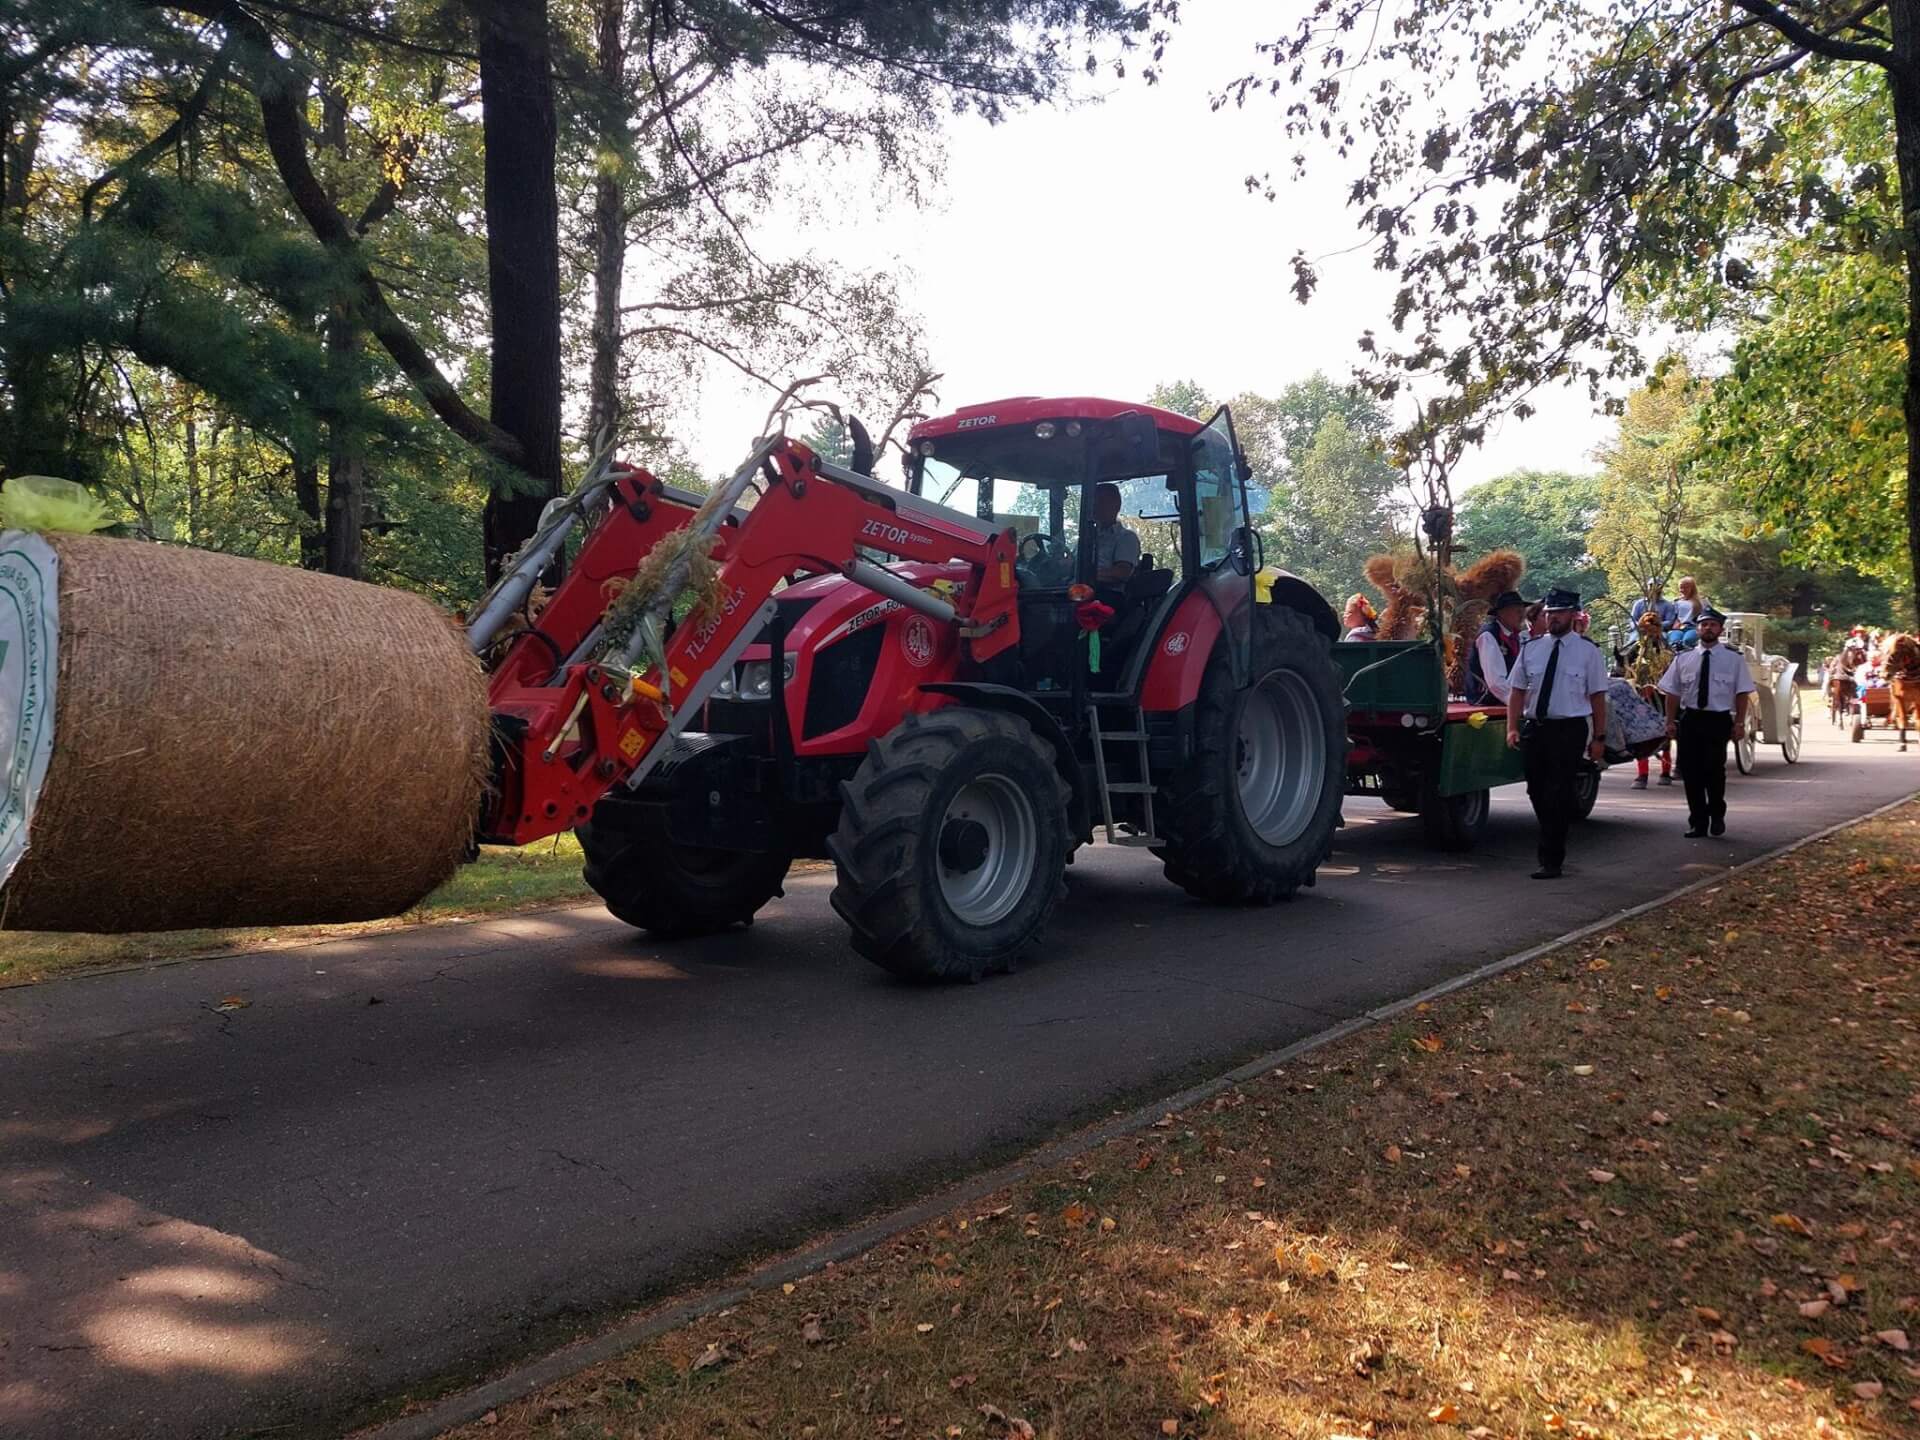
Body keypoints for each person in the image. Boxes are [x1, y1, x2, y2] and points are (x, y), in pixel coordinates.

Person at [1506, 588, 1610, 880]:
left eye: (1560, 612)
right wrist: (1512, 727)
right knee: (1536, 790)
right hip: (1537, 728)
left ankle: (1551, 859)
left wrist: (1599, 737)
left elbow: (1598, 697)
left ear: (1573, 614)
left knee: (1558, 791)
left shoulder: (1587, 651)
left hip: (1569, 729)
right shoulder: (1532, 648)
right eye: (1550, 613)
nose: (1553, 618)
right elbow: (1517, 690)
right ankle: (1551, 832)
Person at [1656, 606, 1756, 839]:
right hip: (1691, 719)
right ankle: (1697, 821)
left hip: (1717, 720)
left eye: (1712, 624)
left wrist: (1739, 723)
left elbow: (1742, 693)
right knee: (1691, 773)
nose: (1707, 628)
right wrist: (1670, 721)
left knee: (1714, 770)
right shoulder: (1683, 659)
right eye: (1703, 624)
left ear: (1720, 629)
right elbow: (1672, 693)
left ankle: (1717, 814)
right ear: (1697, 629)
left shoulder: (1733, 660)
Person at [1627, 610, 1674, 788]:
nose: (1649, 632)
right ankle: (1642, 774)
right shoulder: (1636, 647)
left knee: (1665, 731)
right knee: (1642, 732)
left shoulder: (1665, 648)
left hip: (1661, 695)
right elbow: (1626, 665)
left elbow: (1670, 669)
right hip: (1641, 695)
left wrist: (1658, 685)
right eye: (1645, 629)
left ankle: (1665, 771)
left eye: (1653, 628)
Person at [1466, 589, 1528, 703]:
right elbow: (1496, 683)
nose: (1522, 616)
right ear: (1502, 613)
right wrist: (1517, 702)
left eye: (1523, 611)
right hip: (1486, 698)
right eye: (1518, 611)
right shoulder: (1488, 636)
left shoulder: (1516, 637)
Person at [1090, 482, 1140, 583]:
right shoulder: (1087, 538)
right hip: (1073, 590)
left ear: (1117, 505)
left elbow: (1122, 573)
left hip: (1104, 593)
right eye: (1093, 503)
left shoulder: (1126, 537)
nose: (1095, 507)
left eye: (1102, 502)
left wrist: (1088, 575)